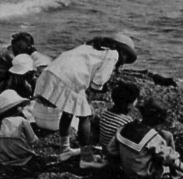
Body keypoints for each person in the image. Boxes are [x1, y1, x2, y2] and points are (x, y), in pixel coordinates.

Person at [33, 32, 137, 169]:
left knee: (68, 111)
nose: (123, 60)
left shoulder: (93, 47)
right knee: (85, 117)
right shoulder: (113, 54)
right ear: (121, 51)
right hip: (70, 79)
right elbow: (99, 80)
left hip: (53, 72)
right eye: (126, 56)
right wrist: (90, 100)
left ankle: (64, 149)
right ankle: (86, 158)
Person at [106, 98, 183, 179]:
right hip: (145, 178)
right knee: (166, 142)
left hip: (127, 173)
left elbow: (111, 150)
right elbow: (169, 158)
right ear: (159, 118)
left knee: (165, 136)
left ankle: (174, 173)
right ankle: (175, 174)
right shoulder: (153, 137)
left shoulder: (125, 127)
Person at [0, 90, 39, 166]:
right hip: (22, 155)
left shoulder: (1, 123)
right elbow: (33, 140)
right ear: (18, 108)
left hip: (3, 157)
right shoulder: (22, 121)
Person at [98, 81, 140, 154]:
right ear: (130, 104)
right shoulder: (127, 122)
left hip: (105, 150)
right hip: (115, 155)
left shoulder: (105, 114)